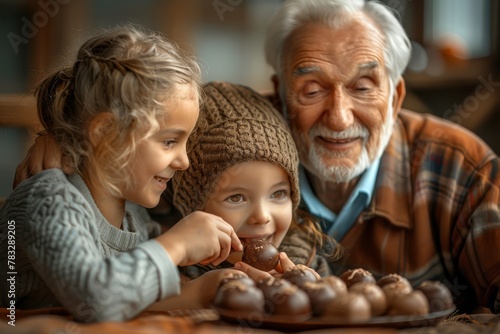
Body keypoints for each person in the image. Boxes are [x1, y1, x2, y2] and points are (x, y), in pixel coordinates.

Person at [263, 0, 499, 313]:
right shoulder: (236, 156)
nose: (339, 119)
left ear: (395, 97)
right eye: (312, 90)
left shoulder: (461, 168)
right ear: (280, 96)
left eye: (362, 88)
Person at [0, 25, 243, 323]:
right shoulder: (47, 198)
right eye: (169, 141)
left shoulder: (134, 214)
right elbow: (98, 301)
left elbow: (136, 294)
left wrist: (216, 285)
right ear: (105, 132)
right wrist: (176, 245)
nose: (184, 162)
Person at [168, 81, 342, 281]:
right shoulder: (177, 270)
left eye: (278, 194)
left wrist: (312, 293)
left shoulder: (307, 261)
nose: (261, 216)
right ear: (193, 207)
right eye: (236, 198)